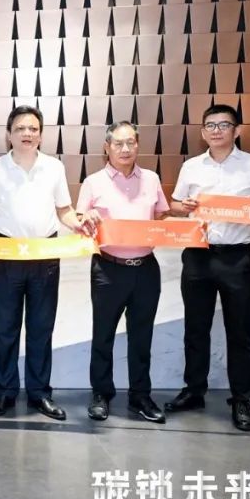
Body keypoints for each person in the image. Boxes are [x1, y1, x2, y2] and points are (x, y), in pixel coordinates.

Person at [167, 104, 250, 432]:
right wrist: (183, 207)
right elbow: (175, 204)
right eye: (210, 125)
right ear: (202, 132)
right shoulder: (191, 167)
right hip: (197, 255)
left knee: (240, 331)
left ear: (236, 131)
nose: (216, 131)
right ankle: (194, 391)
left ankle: (241, 399)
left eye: (223, 125)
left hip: (237, 258)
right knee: (195, 328)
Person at [0, 105, 94, 420]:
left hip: (44, 255)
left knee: (41, 328)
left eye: (33, 129)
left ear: (40, 134)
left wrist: (77, 223)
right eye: (21, 128)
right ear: (9, 134)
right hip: (8, 255)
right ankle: (4, 392)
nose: (27, 133)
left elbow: (64, 209)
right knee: (5, 329)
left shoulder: (53, 167)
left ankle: (39, 394)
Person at [77, 122, 170, 424]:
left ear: (138, 144)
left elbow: (161, 216)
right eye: (118, 143)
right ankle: (101, 394)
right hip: (108, 269)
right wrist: (86, 217)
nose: (125, 149)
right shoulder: (93, 182)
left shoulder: (152, 179)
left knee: (142, 336)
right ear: (107, 147)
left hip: (146, 269)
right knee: (103, 335)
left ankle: (140, 396)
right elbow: (79, 220)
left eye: (130, 142)